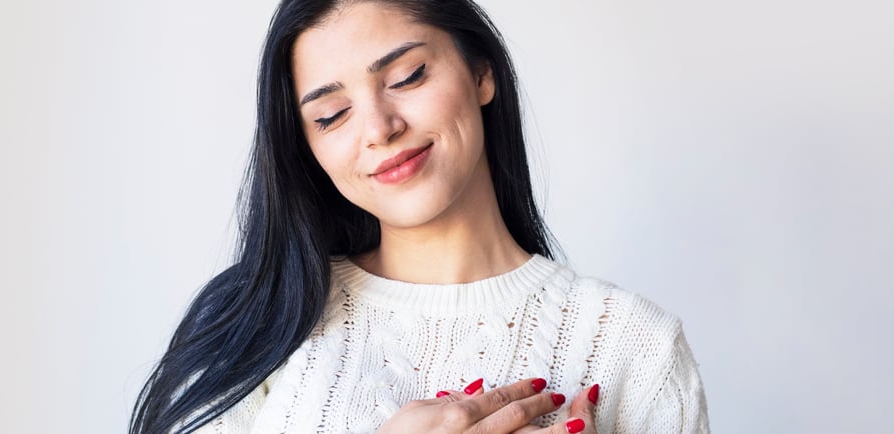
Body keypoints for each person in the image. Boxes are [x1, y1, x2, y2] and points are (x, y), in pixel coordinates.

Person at [130, 0, 709, 433]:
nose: (380, 128)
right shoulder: (250, 323)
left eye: (407, 77)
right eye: (332, 115)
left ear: (481, 73)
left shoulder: (639, 349)